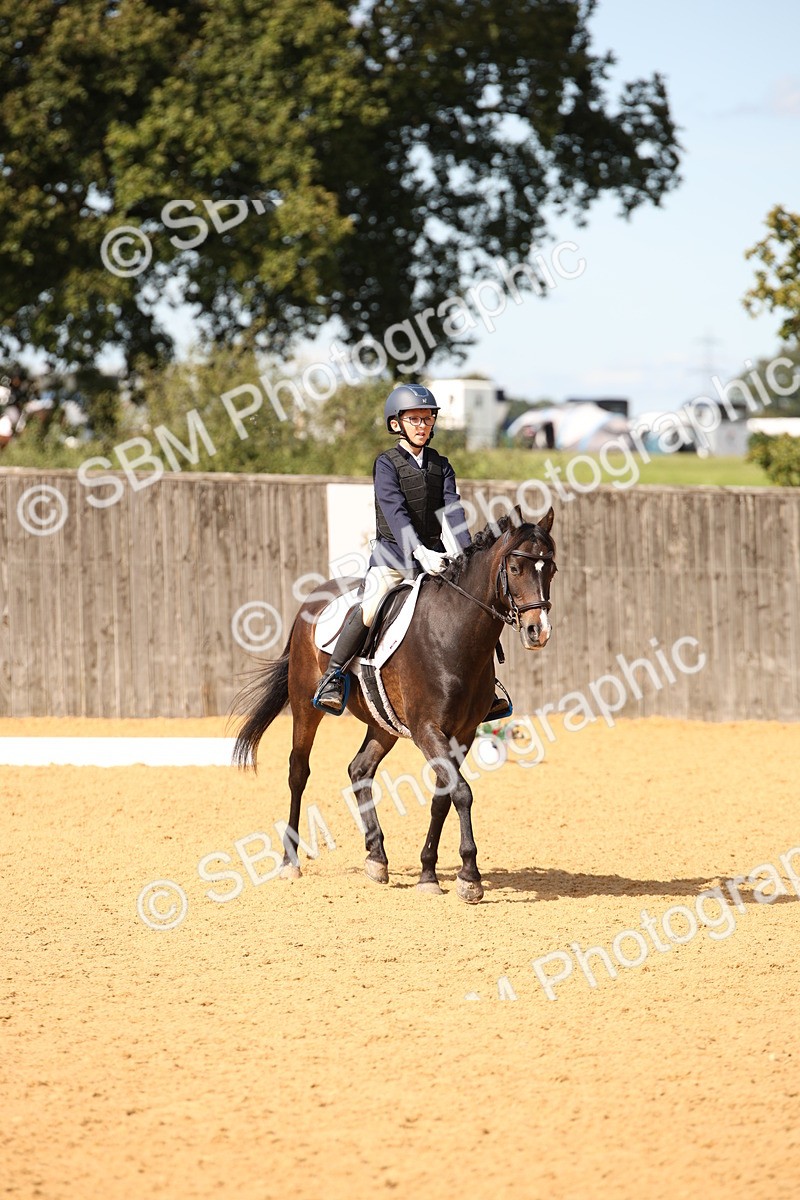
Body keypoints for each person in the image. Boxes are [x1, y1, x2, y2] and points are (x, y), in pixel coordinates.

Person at [312, 383, 513, 720]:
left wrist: (466, 558)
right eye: (415, 419)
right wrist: (419, 551)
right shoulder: (386, 464)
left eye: (427, 418)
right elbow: (395, 512)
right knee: (370, 606)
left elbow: (452, 512)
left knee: (471, 605)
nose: (422, 425)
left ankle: (486, 689)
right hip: (393, 560)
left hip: (434, 559)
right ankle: (333, 677)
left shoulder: (441, 465)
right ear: (397, 424)